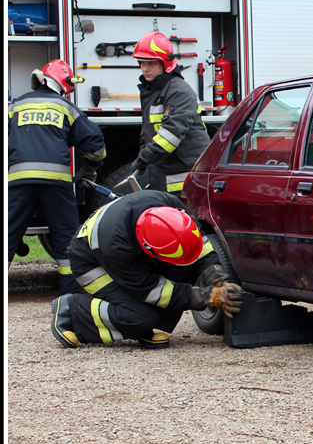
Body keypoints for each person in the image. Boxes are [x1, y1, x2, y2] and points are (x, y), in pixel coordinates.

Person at [50, 190, 243, 349]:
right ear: (149, 250)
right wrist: (209, 297)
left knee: (182, 271)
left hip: (125, 247)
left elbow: (199, 246)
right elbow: (153, 291)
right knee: (138, 317)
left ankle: (145, 324)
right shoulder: (117, 247)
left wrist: (218, 277)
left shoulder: (172, 208)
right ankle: (72, 310)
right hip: (92, 264)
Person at [8, 60, 106, 294]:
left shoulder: (16, 105)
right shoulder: (65, 107)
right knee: (65, 240)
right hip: (56, 184)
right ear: (64, 85)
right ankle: (71, 296)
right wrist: (89, 169)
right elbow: (96, 146)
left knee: (8, 233)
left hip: (19, 182)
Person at [126, 31, 210, 194]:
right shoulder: (153, 91)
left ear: (165, 63)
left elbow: (171, 134)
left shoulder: (179, 91)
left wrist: (143, 160)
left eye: (151, 63)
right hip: (167, 173)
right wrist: (143, 155)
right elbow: (148, 130)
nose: (145, 68)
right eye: (141, 63)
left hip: (186, 176)